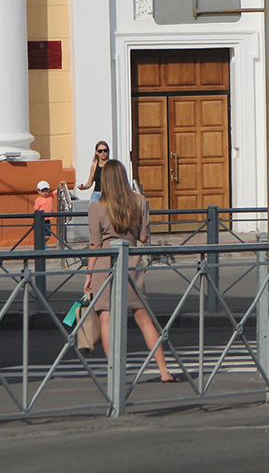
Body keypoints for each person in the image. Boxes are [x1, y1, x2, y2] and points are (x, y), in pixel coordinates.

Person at [82, 160, 175, 382]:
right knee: (144, 318)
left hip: (105, 264)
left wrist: (88, 275)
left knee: (106, 319)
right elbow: (143, 237)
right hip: (132, 263)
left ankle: (116, 373)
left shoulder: (96, 207)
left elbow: (94, 244)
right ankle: (164, 371)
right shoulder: (139, 201)